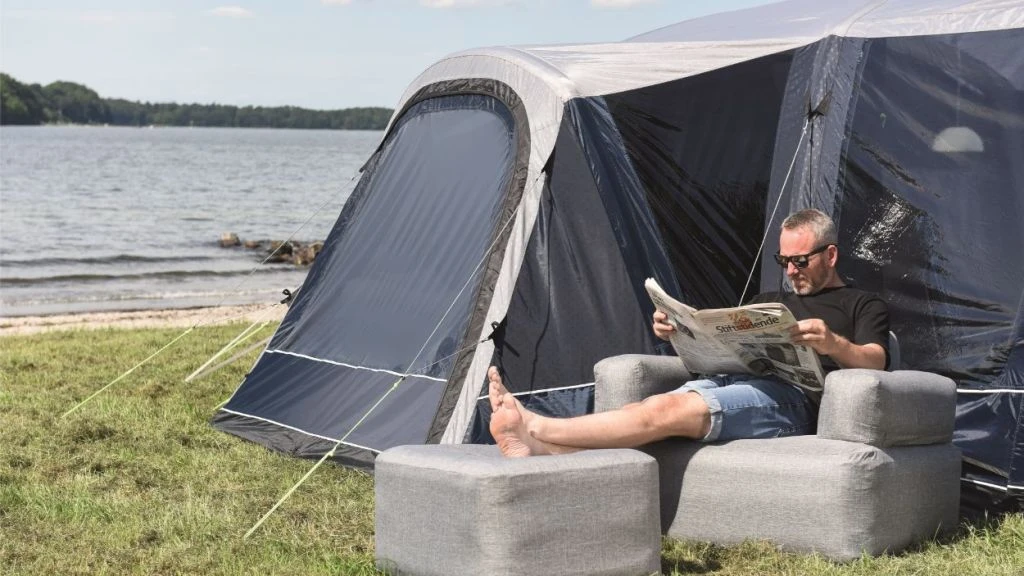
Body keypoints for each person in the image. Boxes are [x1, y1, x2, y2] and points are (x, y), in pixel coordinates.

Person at [488, 208, 889, 457]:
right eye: (783, 260)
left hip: (792, 400)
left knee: (665, 411)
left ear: (830, 255)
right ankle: (541, 448)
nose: (790, 271)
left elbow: (877, 361)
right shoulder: (768, 298)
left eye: (800, 260)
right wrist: (674, 332)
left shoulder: (861, 304)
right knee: (640, 411)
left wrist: (833, 343)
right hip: (729, 381)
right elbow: (726, 343)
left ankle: (537, 425)